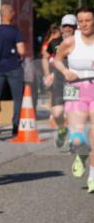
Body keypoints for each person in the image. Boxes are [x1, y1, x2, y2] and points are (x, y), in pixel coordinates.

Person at [52, 7, 94, 192]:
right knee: (77, 139)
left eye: (88, 20)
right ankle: (81, 155)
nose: (84, 24)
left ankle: (93, 175)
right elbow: (57, 59)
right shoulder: (70, 42)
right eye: (81, 21)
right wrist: (65, 71)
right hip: (76, 89)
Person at [0, 4, 27, 137]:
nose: (14, 13)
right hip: (14, 67)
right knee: (17, 98)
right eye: (13, 11)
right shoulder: (15, 31)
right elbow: (21, 50)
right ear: (8, 13)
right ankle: (16, 126)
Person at [43, 17, 74, 148]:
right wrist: (47, 74)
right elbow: (45, 57)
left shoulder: (81, 43)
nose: (67, 28)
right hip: (58, 81)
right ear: (61, 28)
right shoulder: (54, 42)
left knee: (73, 112)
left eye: (70, 26)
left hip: (74, 82)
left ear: (75, 28)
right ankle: (62, 129)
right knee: (57, 113)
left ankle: (74, 139)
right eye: (65, 26)